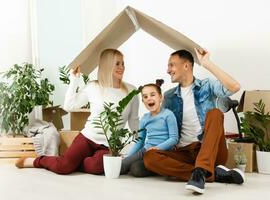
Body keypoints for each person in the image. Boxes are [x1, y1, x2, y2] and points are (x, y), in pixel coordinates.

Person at [15, 49, 140, 175]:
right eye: (117, 64)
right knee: (63, 167)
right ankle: (37, 161)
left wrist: (137, 148)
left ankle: (73, 163)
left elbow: (134, 121)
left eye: (123, 63)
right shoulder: (93, 87)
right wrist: (74, 80)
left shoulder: (131, 91)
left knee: (97, 167)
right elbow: (69, 106)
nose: (121, 67)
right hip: (87, 138)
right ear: (107, 65)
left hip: (108, 145)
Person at [143, 48, 243, 194]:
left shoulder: (207, 86)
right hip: (184, 153)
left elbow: (234, 87)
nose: (168, 70)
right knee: (149, 158)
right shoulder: (169, 97)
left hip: (211, 152)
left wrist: (207, 63)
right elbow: (164, 128)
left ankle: (202, 169)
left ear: (186, 65)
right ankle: (207, 174)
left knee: (215, 113)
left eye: (171, 65)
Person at [121, 79, 178, 177]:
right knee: (124, 164)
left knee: (136, 169)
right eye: (145, 97)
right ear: (143, 101)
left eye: (152, 95)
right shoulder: (144, 118)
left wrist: (157, 148)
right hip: (146, 151)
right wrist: (127, 156)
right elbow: (140, 141)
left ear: (160, 97)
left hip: (163, 152)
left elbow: (174, 138)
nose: (149, 98)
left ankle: (153, 168)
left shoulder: (168, 115)